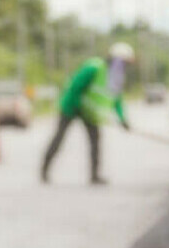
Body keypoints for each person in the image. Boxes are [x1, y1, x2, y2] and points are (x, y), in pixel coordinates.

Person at [42, 42, 134, 185]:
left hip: (90, 113)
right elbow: (75, 87)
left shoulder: (116, 78)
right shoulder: (94, 67)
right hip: (72, 107)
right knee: (59, 138)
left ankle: (95, 175)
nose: (123, 66)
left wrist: (123, 119)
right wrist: (78, 106)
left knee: (95, 142)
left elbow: (117, 101)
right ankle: (44, 170)